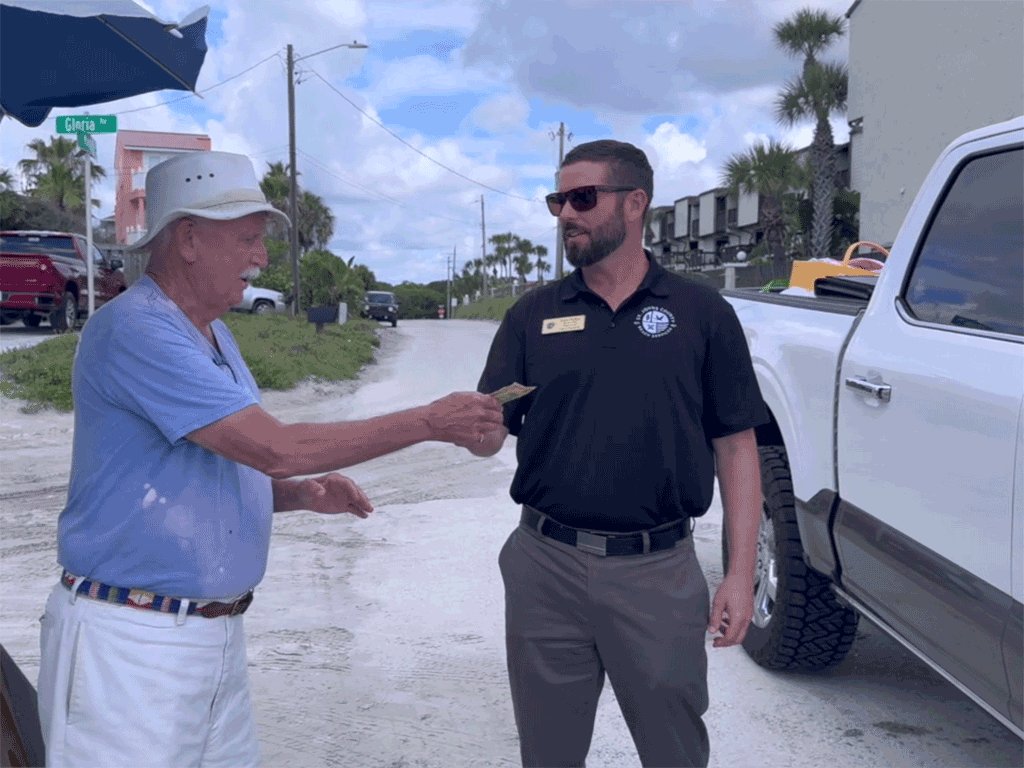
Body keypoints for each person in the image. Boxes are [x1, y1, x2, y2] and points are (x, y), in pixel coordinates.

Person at [36, 150, 504, 768]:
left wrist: (297, 495)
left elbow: (205, 464)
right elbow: (272, 448)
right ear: (189, 238)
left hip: (206, 637)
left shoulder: (211, 332)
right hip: (131, 645)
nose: (261, 258)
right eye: (250, 239)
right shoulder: (137, 330)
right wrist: (426, 422)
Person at [472, 139, 767, 768]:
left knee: (675, 753)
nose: (566, 215)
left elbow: (737, 446)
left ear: (635, 204)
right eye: (558, 201)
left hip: (657, 573)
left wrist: (740, 575)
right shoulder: (532, 316)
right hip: (543, 568)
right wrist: (470, 428)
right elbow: (491, 424)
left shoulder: (702, 314)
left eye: (582, 198)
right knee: (548, 755)